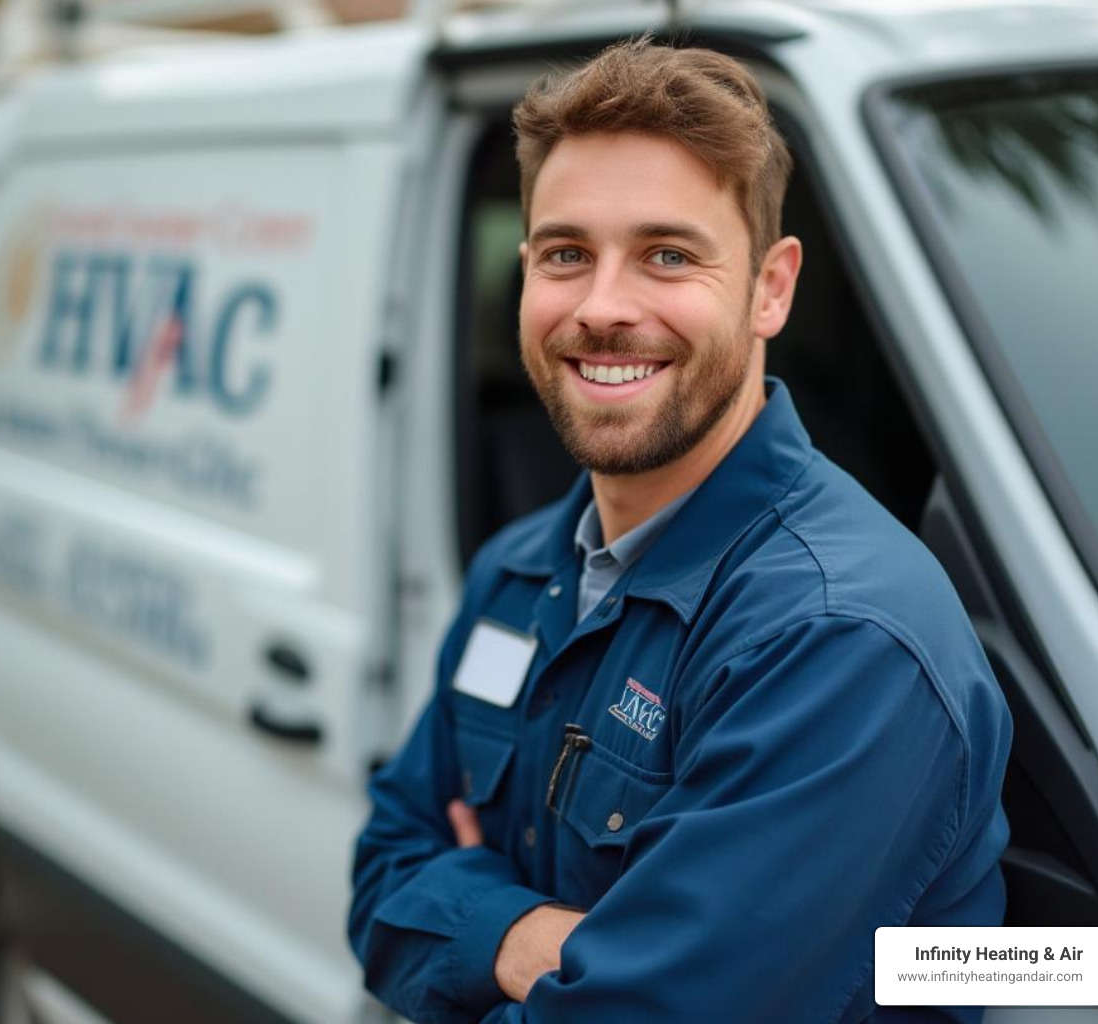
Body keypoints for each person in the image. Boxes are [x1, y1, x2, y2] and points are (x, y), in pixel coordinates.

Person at [348, 38, 1011, 1024]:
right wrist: (538, 940)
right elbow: (379, 879)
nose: (603, 308)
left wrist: (470, 917)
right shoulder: (518, 569)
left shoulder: (838, 637)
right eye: (566, 254)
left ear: (770, 288)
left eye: (668, 255)